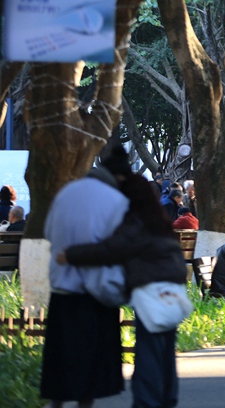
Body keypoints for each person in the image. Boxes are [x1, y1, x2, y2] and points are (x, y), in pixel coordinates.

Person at [59, 170, 187, 408]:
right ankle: (167, 398)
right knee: (165, 348)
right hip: (171, 286)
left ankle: (147, 402)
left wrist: (71, 255)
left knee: (148, 348)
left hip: (150, 289)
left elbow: (110, 248)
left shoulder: (134, 219)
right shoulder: (156, 217)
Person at [42, 152, 131, 406]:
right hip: (96, 295)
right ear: (120, 177)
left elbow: (49, 232)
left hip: (61, 293)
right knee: (91, 370)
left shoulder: (67, 192)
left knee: (59, 364)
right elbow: (117, 247)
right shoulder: (116, 201)